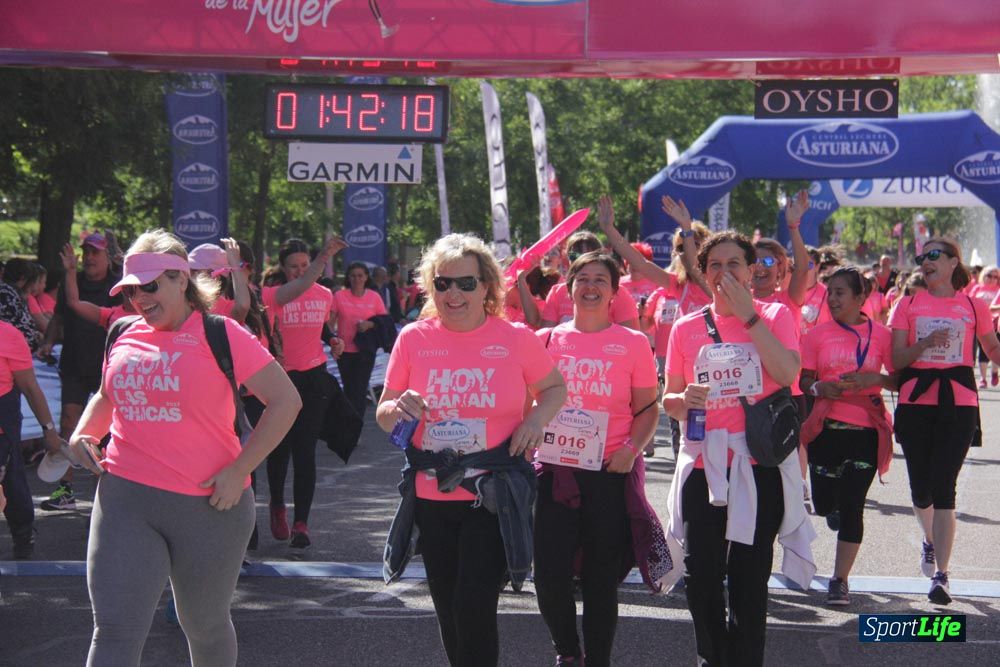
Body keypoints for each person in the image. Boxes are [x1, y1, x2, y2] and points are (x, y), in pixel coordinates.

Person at [67, 229, 301, 665]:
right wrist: (84, 433)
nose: (139, 298)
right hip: (125, 499)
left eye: (150, 286)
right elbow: (105, 396)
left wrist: (239, 471)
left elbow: (287, 401)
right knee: (114, 629)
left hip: (211, 506)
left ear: (181, 279)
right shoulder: (122, 331)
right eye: (132, 289)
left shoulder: (221, 333)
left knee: (205, 625)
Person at [376, 233, 566, 667]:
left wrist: (535, 420)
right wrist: (396, 407)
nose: (453, 294)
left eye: (465, 283)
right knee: (448, 608)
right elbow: (385, 416)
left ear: (486, 287)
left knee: (472, 602)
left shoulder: (515, 338)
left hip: (493, 494)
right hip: (432, 493)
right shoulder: (413, 338)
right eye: (442, 284)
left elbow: (555, 388)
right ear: (430, 287)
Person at [661, 230, 815, 667]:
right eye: (714, 265)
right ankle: (713, 656)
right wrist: (683, 399)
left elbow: (787, 372)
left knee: (748, 577)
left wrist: (750, 318)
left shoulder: (776, 314)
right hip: (703, 464)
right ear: (703, 273)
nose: (724, 272)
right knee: (701, 574)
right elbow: (668, 399)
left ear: (751, 271)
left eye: (734, 264)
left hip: (757, 463)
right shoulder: (687, 327)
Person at [533, 252, 659, 666]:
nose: (590, 286)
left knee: (600, 581)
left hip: (609, 472)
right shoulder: (546, 341)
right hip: (555, 473)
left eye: (600, 280)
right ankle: (568, 653)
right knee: (550, 577)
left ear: (613, 291)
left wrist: (630, 451)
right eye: (582, 278)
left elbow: (648, 409)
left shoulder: (633, 343)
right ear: (568, 288)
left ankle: (597, 660)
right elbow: (523, 403)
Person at [889, 237, 1000, 605]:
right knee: (921, 488)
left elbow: (992, 348)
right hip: (916, 400)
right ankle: (929, 542)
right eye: (922, 256)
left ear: (954, 262)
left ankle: (942, 575)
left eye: (934, 255)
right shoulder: (907, 304)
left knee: (943, 485)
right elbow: (897, 362)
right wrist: (925, 344)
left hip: (960, 401)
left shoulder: (974, 304)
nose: (925, 261)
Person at [799, 267, 898, 605]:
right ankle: (833, 508)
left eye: (841, 292)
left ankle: (839, 579)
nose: (834, 298)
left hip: (866, 432)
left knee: (854, 506)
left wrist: (876, 380)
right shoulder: (816, 335)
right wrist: (819, 387)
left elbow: (898, 379)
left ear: (860, 298)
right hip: (825, 429)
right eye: (831, 292)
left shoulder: (882, 336)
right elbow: (802, 382)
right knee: (826, 503)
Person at [261, 237, 348, 548]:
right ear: (282, 270)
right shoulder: (274, 297)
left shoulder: (325, 295)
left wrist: (333, 339)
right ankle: (276, 504)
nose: (300, 271)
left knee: (305, 451)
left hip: (314, 379)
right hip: (281, 381)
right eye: (293, 267)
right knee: (279, 451)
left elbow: (321, 328)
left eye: (304, 265)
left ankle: (302, 524)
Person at [39, 233, 121, 511]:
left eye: (94, 253)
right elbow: (62, 315)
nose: (89, 258)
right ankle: (66, 489)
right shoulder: (72, 283)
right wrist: (49, 341)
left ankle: (109, 487)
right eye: (86, 253)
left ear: (107, 255)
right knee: (69, 422)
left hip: (107, 367)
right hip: (74, 363)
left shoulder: (118, 285)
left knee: (110, 429)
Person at [1, 319, 65, 559]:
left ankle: (23, 532)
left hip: (2, 430)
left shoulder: (8, 336)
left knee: (12, 483)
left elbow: (29, 387)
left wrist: (48, 429)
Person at [538, 231, 640, 330]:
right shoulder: (557, 293)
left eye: (588, 256)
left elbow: (631, 341)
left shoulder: (618, 293)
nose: (581, 261)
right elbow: (547, 342)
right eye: (574, 256)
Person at [333, 261, 388, 419]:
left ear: (366, 278)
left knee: (360, 388)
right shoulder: (339, 296)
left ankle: (356, 426)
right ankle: (348, 426)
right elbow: (330, 321)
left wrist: (369, 324)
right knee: (349, 389)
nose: (356, 279)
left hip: (365, 350)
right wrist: (332, 341)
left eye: (360, 275)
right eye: (353, 276)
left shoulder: (374, 297)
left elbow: (384, 321)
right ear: (348, 278)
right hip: (345, 350)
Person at [0, 258, 43, 350]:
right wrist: (38, 337)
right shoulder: (10, 296)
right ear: (23, 279)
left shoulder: (8, 292)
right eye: (36, 281)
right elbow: (28, 337)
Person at [969, 265, 1000, 387]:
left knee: (995, 348)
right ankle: (983, 378)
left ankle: (994, 371)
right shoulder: (977, 288)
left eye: (995, 276)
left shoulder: (998, 289)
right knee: (982, 350)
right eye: (989, 276)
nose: (992, 279)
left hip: (994, 323)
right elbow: (968, 302)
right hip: (978, 322)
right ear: (984, 276)